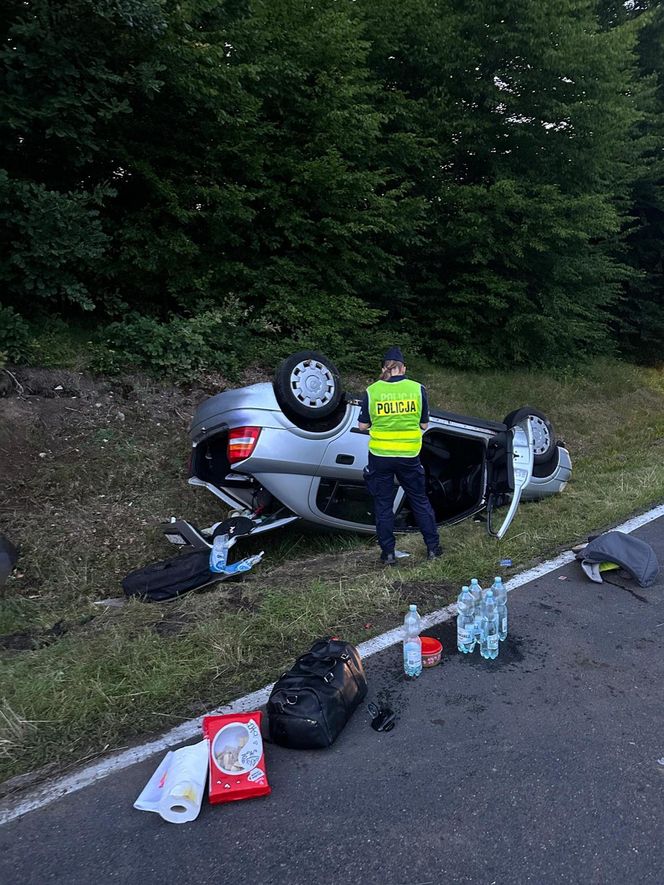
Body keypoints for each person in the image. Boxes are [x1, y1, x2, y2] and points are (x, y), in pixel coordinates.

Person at [358, 346, 443, 565]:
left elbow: (362, 425)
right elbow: (424, 424)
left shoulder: (372, 391)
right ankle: (433, 549)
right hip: (409, 455)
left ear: (383, 368)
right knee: (419, 500)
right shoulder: (417, 389)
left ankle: (388, 554)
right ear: (403, 368)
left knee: (384, 505)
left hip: (380, 456)